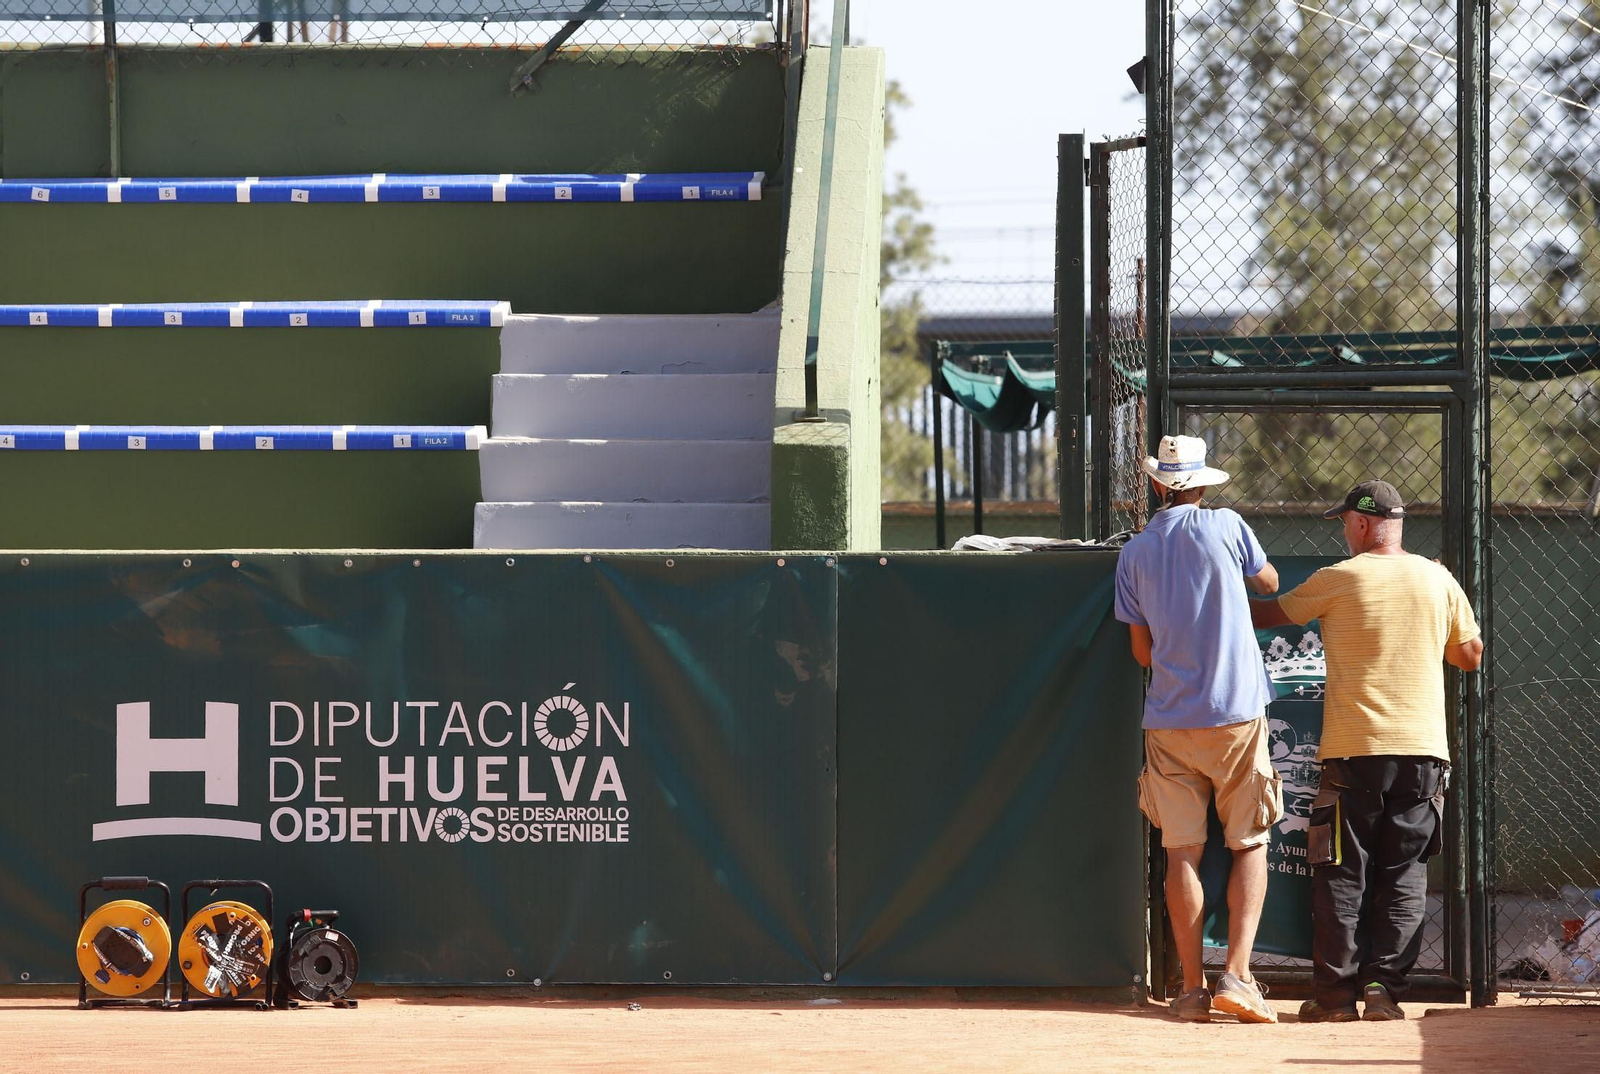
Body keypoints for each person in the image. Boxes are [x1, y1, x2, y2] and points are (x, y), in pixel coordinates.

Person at [1249, 480, 1483, 1023]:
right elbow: (1469, 655)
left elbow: (1270, 615)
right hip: (1424, 755)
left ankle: (1334, 1000)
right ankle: (1384, 991)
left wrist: (1212, 593)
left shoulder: (1339, 578)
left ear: (1359, 523)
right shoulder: (1437, 578)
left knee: (1340, 873)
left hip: (1353, 754)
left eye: (1343, 524)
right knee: (1404, 875)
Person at [1115, 435, 1283, 1024]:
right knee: (1251, 843)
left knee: (1181, 853)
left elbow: (1142, 653)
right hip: (1237, 715)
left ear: (1159, 485)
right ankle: (1237, 978)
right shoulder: (1229, 527)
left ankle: (1190, 990)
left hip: (1169, 719)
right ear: (1204, 484)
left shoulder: (1134, 553)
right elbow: (1269, 583)